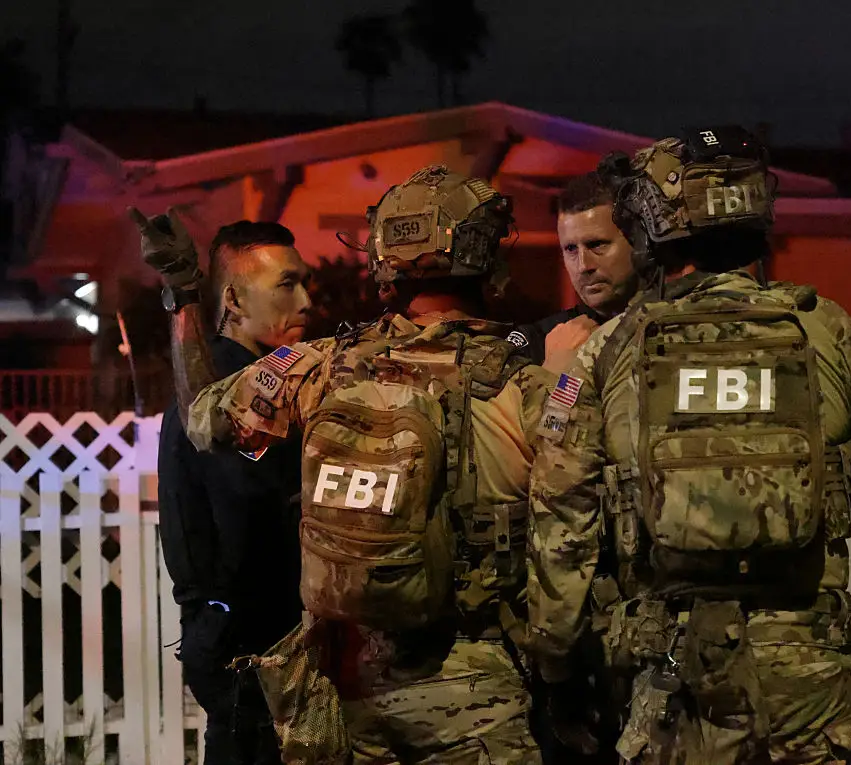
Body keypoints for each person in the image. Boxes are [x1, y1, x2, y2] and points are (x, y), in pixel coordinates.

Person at [524, 127, 851, 764]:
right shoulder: (825, 328)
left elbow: (560, 522)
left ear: (654, 223)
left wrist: (555, 664)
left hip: (671, 669)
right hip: (807, 665)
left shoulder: (608, 350)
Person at [141, 166, 550, 764]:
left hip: (353, 685)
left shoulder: (321, 367)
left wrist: (182, 297)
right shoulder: (532, 384)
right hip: (478, 680)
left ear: (383, 259)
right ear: (487, 257)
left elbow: (203, 415)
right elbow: (570, 545)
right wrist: (560, 669)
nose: (305, 300)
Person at [136, 213, 312, 765]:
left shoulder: (251, 381)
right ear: (233, 301)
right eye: (287, 284)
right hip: (251, 644)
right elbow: (256, 511)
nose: (305, 301)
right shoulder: (233, 395)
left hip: (244, 637)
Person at [507, 171, 638, 372]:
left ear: (639, 243)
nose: (584, 266)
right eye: (570, 249)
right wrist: (554, 367)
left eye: (597, 244)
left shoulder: (679, 323)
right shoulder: (537, 343)